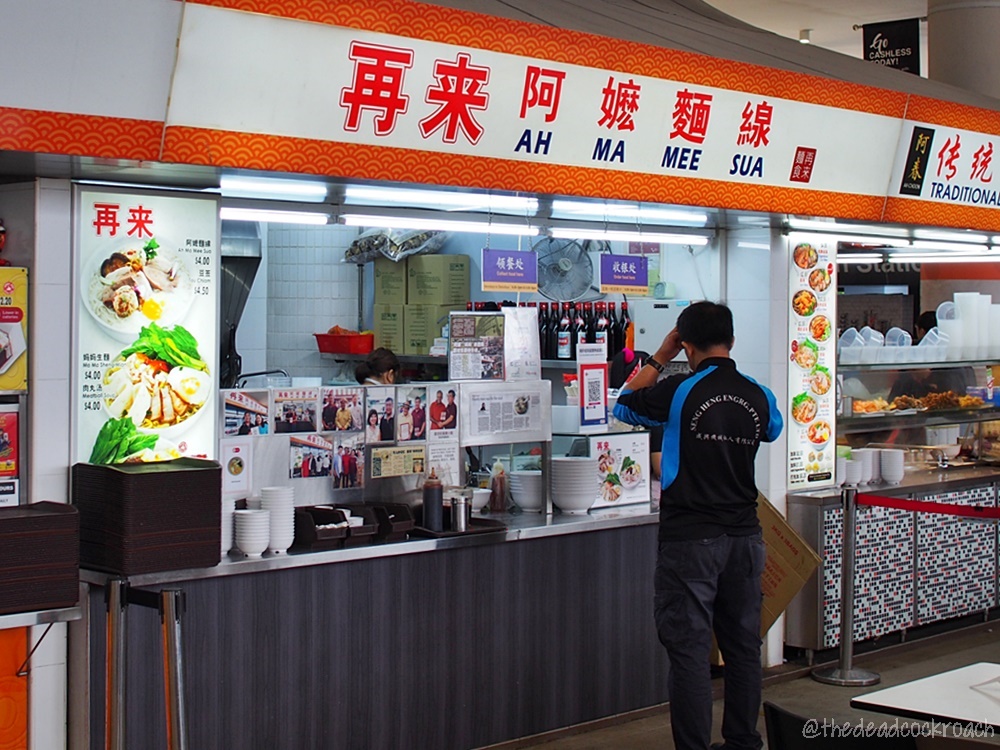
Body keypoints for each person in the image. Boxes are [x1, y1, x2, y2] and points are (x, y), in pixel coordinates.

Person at [612, 301, 782, 750]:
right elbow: (774, 429)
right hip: (746, 538)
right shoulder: (759, 395)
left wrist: (659, 357)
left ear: (684, 342)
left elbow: (624, 406)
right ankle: (744, 742)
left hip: (690, 539)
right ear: (731, 340)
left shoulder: (680, 389)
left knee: (688, 652)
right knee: (743, 648)